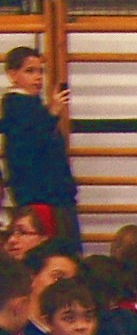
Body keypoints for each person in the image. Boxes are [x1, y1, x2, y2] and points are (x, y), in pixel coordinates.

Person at [1, 48, 80, 251]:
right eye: (30, 71)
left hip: (50, 196)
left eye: (40, 71)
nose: (38, 77)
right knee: (51, 252)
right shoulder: (17, 107)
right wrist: (52, 113)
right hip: (40, 197)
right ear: (12, 74)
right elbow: (31, 148)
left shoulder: (31, 106)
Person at [20, 239, 78, 335]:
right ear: (32, 277)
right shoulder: (17, 332)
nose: (65, 286)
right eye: (57, 277)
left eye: (72, 281)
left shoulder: (76, 333)